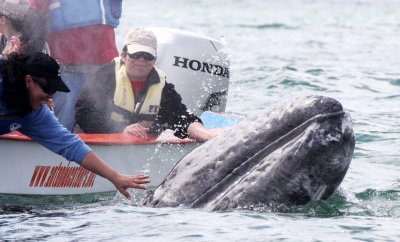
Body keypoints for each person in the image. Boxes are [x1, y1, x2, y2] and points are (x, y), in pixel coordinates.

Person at [0, 52, 150, 198]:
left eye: (53, 91)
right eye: (48, 89)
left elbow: (72, 146)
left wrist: (115, 177)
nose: (50, 97)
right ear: (28, 80)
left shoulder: (36, 115)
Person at [75, 28, 216, 141]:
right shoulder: (103, 77)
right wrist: (122, 129)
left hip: (137, 149)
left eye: (147, 56)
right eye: (136, 54)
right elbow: (84, 114)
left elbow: (182, 117)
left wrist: (207, 136)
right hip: (99, 144)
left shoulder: (162, 87)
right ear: (124, 55)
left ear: (155, 59)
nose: (141, 60)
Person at [29, 0, 122, 131]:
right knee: (64, 120)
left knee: (106, 116)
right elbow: (34, 12)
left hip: (104, 65)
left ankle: (104, 145)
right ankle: (60, 146)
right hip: (67, 66)